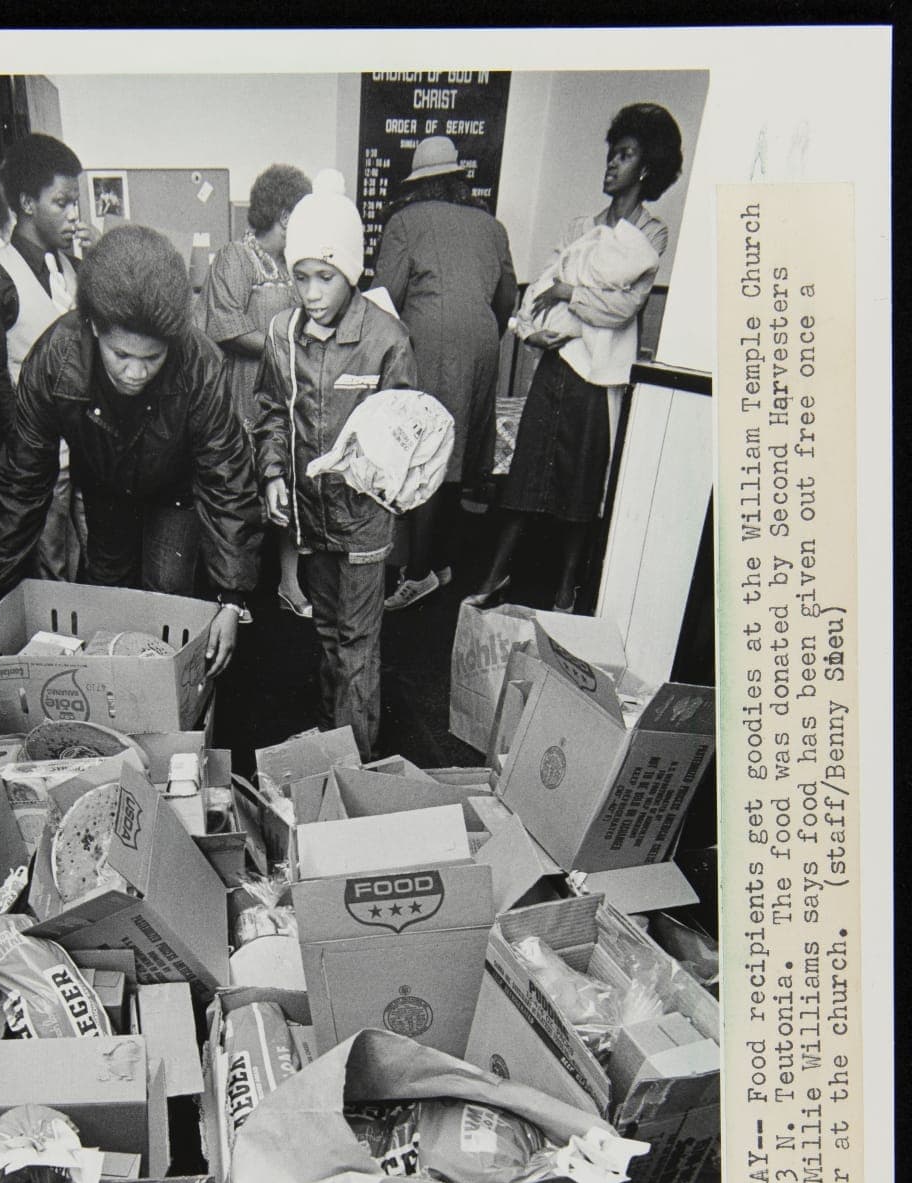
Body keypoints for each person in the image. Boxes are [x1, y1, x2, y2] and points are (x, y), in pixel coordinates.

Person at [0, 223, 262, 682]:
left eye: (152, 358)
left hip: (175, 493)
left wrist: (232, 598)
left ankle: (168, 706)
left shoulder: (201, 363)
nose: (135, 372)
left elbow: (227, 476)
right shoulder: (54, 359)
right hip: (105, 489)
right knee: (106, 599)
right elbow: (23, 478)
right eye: (121, 354)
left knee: (166, 599)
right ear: (93, 327)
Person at [465, 103, 683, 614]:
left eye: (624, 155)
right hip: (556, 365)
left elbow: (622, 307)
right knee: (526, 476)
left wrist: (569, 290)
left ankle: (567, 588)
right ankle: (496, 576)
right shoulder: (578, 226)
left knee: (581, 482)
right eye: (612, 154)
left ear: (647, 166)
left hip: (598, 375)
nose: (611, 165)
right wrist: (555, 306)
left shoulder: (651, 235)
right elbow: (540, 294)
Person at [253, 171, 416, 761]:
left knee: (357, 643)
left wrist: (369, 471)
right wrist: (273, 472)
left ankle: (358, 763)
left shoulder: (387, 340)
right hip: (310, 515)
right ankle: (331, 737)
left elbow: (408, 438)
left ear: (351, 271)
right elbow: (271, 409)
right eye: (300, 277)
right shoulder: (281, 334)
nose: (312, 291)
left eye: (325, 277)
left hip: (364, 523)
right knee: (326, 635)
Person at [373, 136, 518, 614]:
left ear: (418, 185)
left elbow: (385, 298)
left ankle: (416, 573)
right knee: (456, 453)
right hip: (481, 342)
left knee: (422, 451)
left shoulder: (405, 222)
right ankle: (444, 563)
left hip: (429, 341)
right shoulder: (491, 226)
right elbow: (507, 300)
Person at [0, 134, 92, 583]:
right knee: (53, 571)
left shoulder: (74, 269)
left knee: (97, 564)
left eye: (75, 203)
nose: (73, 215)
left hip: (87, 454)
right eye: (62, 202)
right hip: (42, 462)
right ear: (26, 202)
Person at [201, 163, 313, 617]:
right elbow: (225, 327)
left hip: (287, 393)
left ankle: (289, 584)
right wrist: (284, 346)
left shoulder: (295, 265)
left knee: (288, 483)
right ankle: (233, 593)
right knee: (239, 491)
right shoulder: (235, 258)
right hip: (244, 391)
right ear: (286, 215)